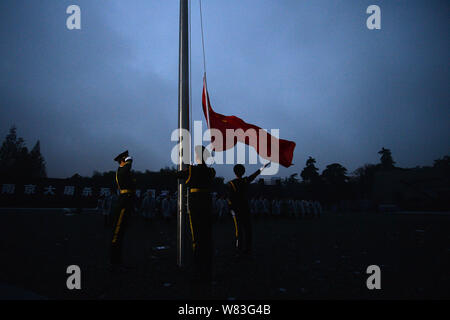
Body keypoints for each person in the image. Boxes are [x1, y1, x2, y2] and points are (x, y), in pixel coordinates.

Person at [176, 145, 216, 284]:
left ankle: (198, 263)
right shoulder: (211, 171)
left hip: (196, 203)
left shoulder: (192, 170)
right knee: (207, 234)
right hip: (207, 202)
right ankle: (207, 263)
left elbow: (178, 175)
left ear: (198, 156)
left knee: (197, 235)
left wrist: (188, 166)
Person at [226, 163, 270, 257]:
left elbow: (229, 199)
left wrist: (231, 210)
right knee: (248, 230)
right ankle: (248, 250)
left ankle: (239, 250)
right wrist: (263, 167)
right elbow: (254, 175)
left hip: (236, 209)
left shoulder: (231, 183)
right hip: (245, 208)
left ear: (234, 172)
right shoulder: (245, 180)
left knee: (239, 231)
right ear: (243, 172)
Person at [110, 150, 136, 269]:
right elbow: (127, 168)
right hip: (123, 201)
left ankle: (117, 259)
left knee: (122, 232)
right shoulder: (121, 171)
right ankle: (114, 260)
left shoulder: (124, 172)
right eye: (125, 159)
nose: (127, 161)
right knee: (118, 231)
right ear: (122, 160)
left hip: (127, 201)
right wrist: (129, 161)